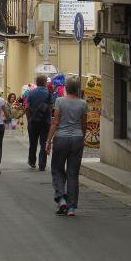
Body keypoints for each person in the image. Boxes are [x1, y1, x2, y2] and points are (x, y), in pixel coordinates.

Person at [46, 75, 88, 216]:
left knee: (57, 169)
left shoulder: (59, 101)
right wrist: (81, 138)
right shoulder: (83, 104)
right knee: (73, 173)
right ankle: (71, 207)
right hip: (77, 138)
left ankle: (61, 198)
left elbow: (55, 122)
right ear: (77, 89)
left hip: (61, 138)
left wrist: (48, 141)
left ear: (65, 88)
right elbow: (84, 124)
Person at [26, 74, 53, 170]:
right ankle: (42, 164)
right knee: (44, 143)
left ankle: (32, 161)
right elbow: (50, 107)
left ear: (37, 82)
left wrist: (29, 119)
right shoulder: (49, 93)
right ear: (45, 82)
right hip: (45, 122)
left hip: (33, 121)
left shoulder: (31, 93)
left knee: (32, 143)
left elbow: (27, 107)